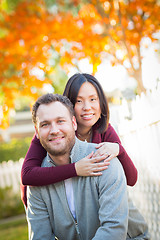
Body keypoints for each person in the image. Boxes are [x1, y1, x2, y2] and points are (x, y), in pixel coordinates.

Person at [21, 73, 137, 207]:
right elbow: (27, 175)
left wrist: (119, 149)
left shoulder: (104, 129)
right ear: (68, 105)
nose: (87, 107)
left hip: (97, 201)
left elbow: (132, 179)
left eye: (93, 99)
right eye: (79, 101)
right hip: (50, 203)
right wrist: (75, 169)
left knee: (129, 211)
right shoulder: (53, 134)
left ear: (101, 102)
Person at [27, 93, 129, 239]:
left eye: (60, 121)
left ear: (74, 123)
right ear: (37, 132)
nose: (54, 130)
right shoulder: (37, 182)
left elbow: (113, 229)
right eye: (45, 124)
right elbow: (40, 236)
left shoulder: (104, 159)